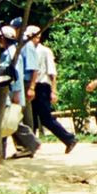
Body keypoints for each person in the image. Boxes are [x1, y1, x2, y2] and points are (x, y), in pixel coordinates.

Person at [27, 25, 76, 154]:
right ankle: (30, 145)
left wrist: (53, 91)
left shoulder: (44, 51)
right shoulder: (28, 50)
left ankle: (68, 138)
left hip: (42, 86)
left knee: (46, 118)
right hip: (33, 85)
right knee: (31, 117)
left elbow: (52, 73)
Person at [0, 26, 40, 160]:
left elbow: (15, 74)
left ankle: (31, 142)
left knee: (9, 122)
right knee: (11, 122)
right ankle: (29, 144)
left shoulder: (12, 54)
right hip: (10, 92)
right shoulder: (9, 52)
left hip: (11, 93)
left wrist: (16, 93)